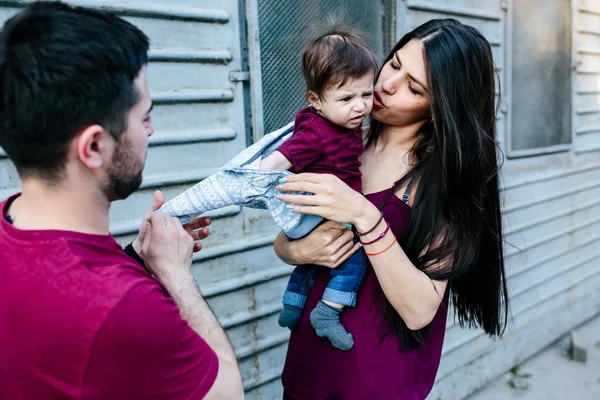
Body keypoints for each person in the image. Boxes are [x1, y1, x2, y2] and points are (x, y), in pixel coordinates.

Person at [0, 2, 243, 399]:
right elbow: (229, 392)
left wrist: (137, 260)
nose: (151, 129)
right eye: (144, 115)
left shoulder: (9, 223)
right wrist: (174, 275)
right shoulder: (125, 308)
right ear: (94, 145)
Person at [273, 19, 510, 399]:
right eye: (395, 63)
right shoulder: (340, 141)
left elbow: (419, 310)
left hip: (374, 380)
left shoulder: (441, 181)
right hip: (307, 368)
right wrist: (296, 250)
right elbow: (287, 238)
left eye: (413, 87)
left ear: (440, 107)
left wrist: (367, 217)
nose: (386, 84)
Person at [260, 29, 377, 351]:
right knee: (354, 259)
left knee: (310, 262)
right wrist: (261, 174)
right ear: (315, 100)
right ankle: (327, 312)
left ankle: (293, 304)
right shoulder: (317, 133)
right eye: (346, 99)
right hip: (320, 211)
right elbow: (285, 155)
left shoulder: (340, 123)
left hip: (320, 211)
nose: (360, 107)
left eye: (366, 94)